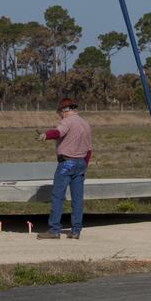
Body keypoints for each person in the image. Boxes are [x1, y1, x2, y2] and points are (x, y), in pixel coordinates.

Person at [36, 97, 92, 240]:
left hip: (66, 163)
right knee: (77, 199)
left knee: (57, 196)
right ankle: (76, 231)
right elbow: (89, 149)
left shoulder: (67, 121)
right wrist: (84, 164)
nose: (60, 115)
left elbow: (58, 133)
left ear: (64, 110)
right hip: (80, 163)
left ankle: (54, 230)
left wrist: (45, 135)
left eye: (60, 112)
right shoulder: (85, 123)